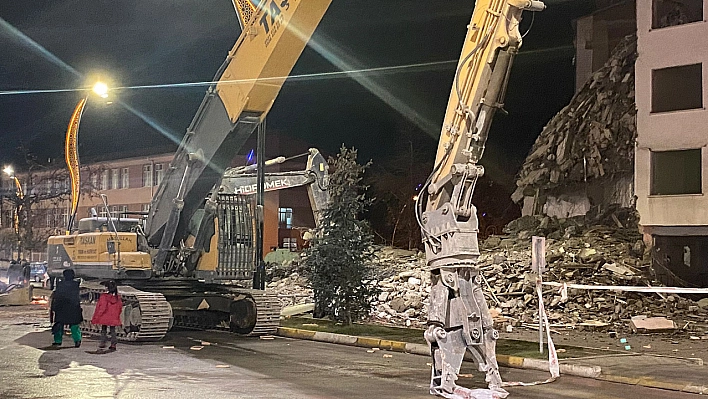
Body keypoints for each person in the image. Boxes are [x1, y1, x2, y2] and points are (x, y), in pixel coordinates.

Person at [50, 269, 83, 348]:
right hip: (73, 308)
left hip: (61, 308)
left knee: (59, 325)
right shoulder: (76, 284)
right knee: (74, 326)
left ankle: (58, 341)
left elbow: (56, 297)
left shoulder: (60, 285)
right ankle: (77, 340)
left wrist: (54, 308)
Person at [91, 280, 122, 352]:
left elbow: (102, 307)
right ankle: (113, 344)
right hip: (113, 316)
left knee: (103, 329)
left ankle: (103, 342)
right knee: (112, 330)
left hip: (105, 316)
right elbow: (120, 307)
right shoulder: (118, 297)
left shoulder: (104, 296)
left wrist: (97, 316)